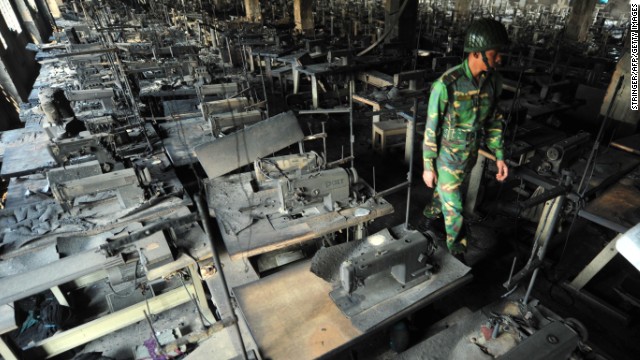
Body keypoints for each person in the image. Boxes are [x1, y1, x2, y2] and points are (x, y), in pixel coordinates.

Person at [421, 18, 510, 260]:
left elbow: (494, 121)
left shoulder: (494, 82)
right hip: (447, 156)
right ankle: (457, 252)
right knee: (455, 208)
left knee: (447, 191)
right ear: (478, 53)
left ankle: (429, 214)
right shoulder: (447, 85)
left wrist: (499, 156)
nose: (500, 58)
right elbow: (431, 128)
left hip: (469, 155)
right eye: (495, 52)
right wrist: (428, 166)